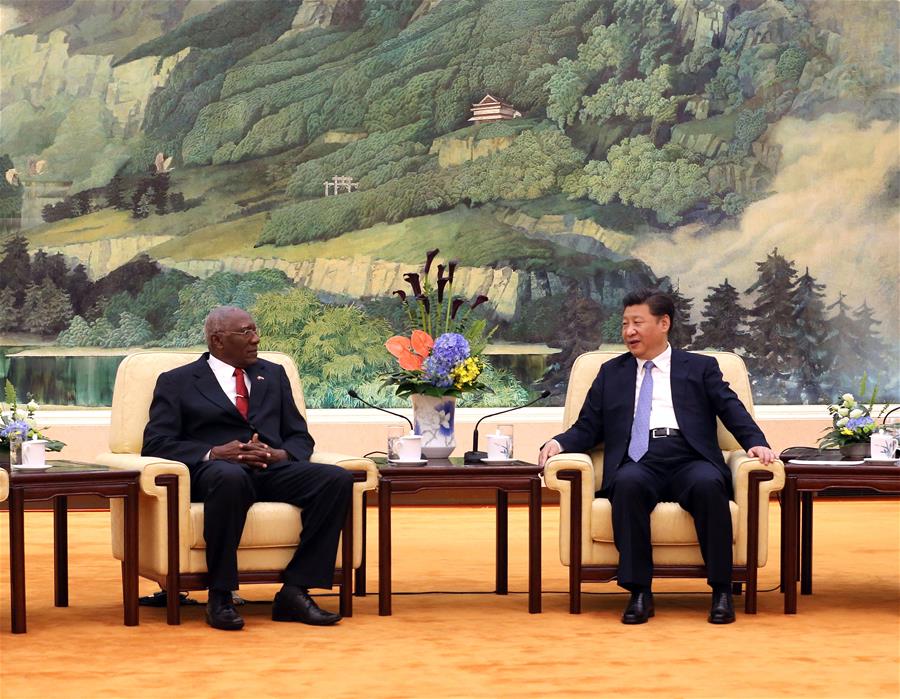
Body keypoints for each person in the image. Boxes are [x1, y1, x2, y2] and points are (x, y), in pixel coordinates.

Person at [539, 289, 775, 625]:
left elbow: (730, 408)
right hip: (639, 460)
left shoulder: (700, 367)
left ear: (663, 323)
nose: (628, 331)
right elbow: (588, 426)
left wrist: (756, 442)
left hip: (688, 456)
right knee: (627, 485)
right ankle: (639, 593)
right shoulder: (611, 373)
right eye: (624, 324)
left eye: (637, 322)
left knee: (710, 486)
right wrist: (559, 443)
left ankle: (722, 591)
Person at [142, 306, 354, 630]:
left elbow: (299, 436)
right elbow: (156, 443)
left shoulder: (273, 374)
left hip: (270, 470)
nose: (256, 338)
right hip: (215, 474)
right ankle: (220, 595)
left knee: (336, 480)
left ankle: (296, 591)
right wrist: (213, 452)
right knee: (230, 477)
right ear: (218, 340)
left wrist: (282, 454)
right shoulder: (178, 382)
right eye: (246, 332)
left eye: (255, 330)